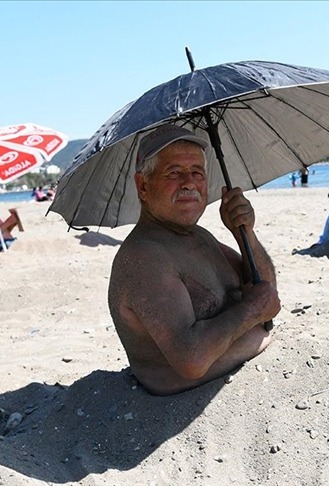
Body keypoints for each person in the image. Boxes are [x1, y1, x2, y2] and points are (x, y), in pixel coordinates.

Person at [108, 125, 280, 396]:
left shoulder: (198, 236)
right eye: (174, 172)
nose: (189, 182)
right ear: (143, 185)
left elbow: (266, 289)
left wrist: (245, 233)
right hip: (181, 399)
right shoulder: (144, 256)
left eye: (197, 172)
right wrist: (253, 310)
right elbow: (192, 360)